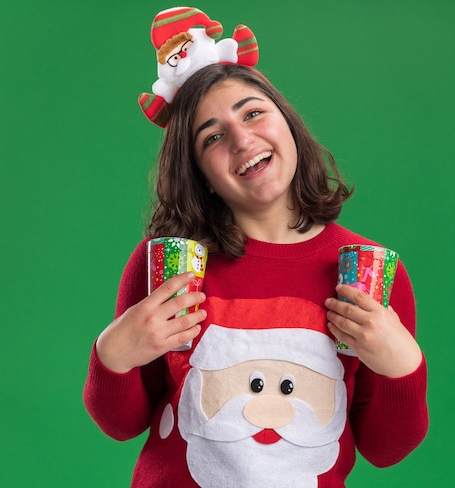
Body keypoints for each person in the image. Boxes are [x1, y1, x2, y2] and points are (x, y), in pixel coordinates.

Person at [84, 7, 428, 488]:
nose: (243, 139)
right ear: (198, 171)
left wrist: (403, 367)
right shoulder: (165, 265)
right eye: (213, 137)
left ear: (286, 122)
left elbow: (386, 449)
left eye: (253, 113)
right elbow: (120, 425)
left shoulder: (364, 270)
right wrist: (113, 355)